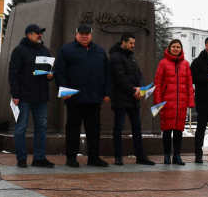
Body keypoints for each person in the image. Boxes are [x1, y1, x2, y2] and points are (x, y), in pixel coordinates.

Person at [53, 24, 111, 167]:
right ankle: (71, 158)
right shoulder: (66, 50)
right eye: (81, 34)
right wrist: (64, 90)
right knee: (73, 129)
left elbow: (107, 73)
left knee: (94, 130)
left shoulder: (99, 51)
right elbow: (59, 72)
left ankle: (94, 158)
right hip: (74, 98)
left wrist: (107, 92)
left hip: (94, 98)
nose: (84, 36)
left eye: (87, 34)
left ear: (91, 35)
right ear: (76, 34)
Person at [9, 24, 55, 168]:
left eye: (41, 33)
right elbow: (13, 74)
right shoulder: (19, 50)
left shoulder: (45, 51)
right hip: (23, 96)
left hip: (41, 96)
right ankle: (21, 158)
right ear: (28, 34)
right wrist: (15, 94)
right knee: (21, 127)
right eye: (37, 33)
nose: (40, 35)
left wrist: (50, 75)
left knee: (41, 127)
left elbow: (51, 70)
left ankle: (39, 158)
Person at [109, 33, 155, 166]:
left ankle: (140, 156)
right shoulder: (115, 56)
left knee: (137, 128)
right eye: (131, 43)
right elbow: (119, 77)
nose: (133, 46)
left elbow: (138, 74)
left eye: (134, 44)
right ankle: (118, 157)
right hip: (120, 98)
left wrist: (140, 88)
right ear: (123, 42)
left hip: (134, 98)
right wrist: (133, 90)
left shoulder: (131, 57)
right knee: (118, 128)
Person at [154, 39, 195, 165]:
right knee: (167, 131)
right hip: (167, 103)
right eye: (174, 46)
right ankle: (167, 155)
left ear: (181, 49)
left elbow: (189, 84)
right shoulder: (163, 63)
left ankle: (177, 156)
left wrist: (190, 101)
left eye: (178, 47)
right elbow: (158, 84)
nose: (176, 49)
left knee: (178, 131)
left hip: (181, 103)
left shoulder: (186, 64)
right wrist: (158, 101)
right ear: (169, 48)